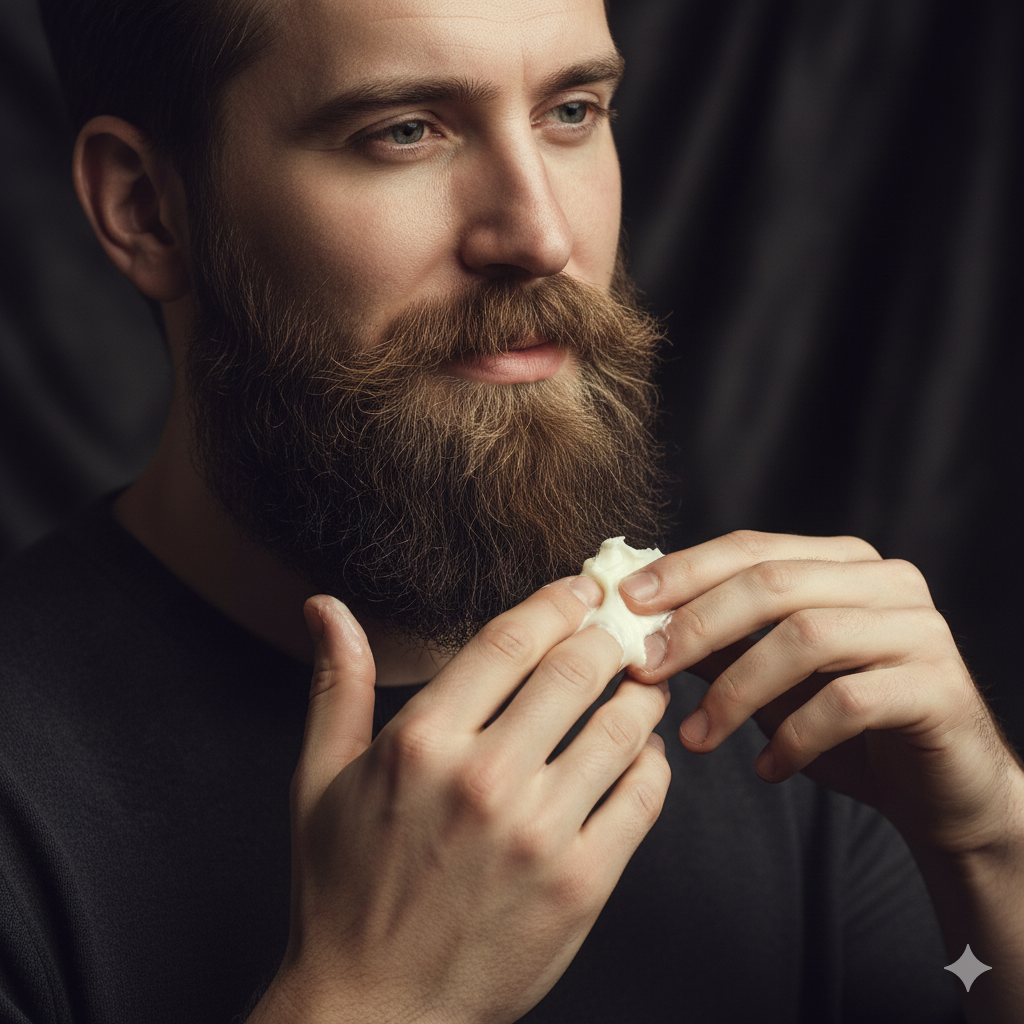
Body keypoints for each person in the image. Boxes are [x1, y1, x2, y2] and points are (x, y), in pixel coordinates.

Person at [0, 0, 1020, 1020]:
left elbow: (965, 983)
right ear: (146, 207)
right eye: (403, 131)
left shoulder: (782, 731)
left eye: (571, 111)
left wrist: (989, 854)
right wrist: (372, 998)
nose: (539, 233)